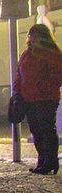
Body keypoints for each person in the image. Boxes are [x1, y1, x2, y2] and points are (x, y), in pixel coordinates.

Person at [13, 23, 62, 175]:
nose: (32, 39)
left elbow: (57, 74)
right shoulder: (27, 53)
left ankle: (50, 161)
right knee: (36, 130)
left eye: (36, 36)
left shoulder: (52, 53)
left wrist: (42, 87)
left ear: (43, 37)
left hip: (46, 98)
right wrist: (17, 90)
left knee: (46, 128)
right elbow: (19, 73)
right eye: (30, 36)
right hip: (29, 97)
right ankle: (42, 159)